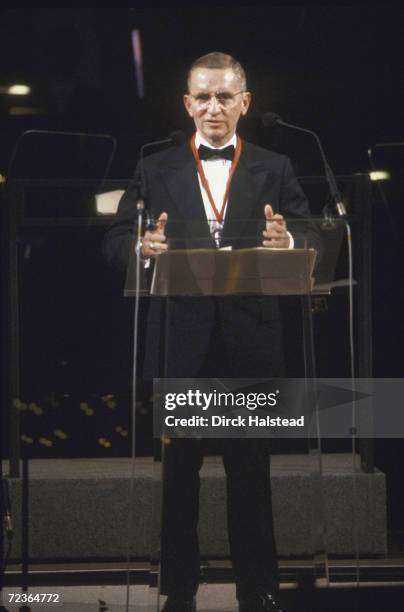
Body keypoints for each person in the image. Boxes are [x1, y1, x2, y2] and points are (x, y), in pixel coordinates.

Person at [104, 52, 315, 612]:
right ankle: (176, 588)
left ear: (245, 103)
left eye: (225, 97)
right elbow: (117, 236)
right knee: (179, 475)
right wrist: (140, 248)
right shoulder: (155, 167)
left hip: (251, 340)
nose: (214, 107)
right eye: (203, 97)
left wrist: (287, 242)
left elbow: (310, 230)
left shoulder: (277, 165)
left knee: (252, 473)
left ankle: (260, 587)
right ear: (187, 104)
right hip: (181, 339)